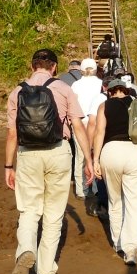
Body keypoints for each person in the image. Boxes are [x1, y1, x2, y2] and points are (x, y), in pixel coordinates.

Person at [4, 49, 94, 274]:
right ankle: (45, 272)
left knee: (29, 210)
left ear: (32, 66)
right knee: (54, 215)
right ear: (54, 67)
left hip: (28, 154)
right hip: (58, 152)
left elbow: (12, 133)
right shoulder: (64, 89)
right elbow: (77, 126)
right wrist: (88, 160)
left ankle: (26, 250)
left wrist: (8, 166)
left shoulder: (17, 92)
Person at [92, 78, 137, 266]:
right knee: (134, 203)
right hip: (135, 150)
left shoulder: (104, 106)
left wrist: (95, 160)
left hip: (111, 151)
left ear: (109, 91)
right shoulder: (136, 102)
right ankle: (131, 249)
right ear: (126, 90)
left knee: (115, 200)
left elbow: (99, 132)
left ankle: (118, 243)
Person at [71, 58, 106, 215]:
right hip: (96, 121)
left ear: (81, 70)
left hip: (79, 122)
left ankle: (81, 189)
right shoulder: (100, 83)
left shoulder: (75, 85)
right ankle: (96, 187)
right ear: (95, 69)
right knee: (96, 154)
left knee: (80, 156)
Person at [59, 59, 84, 196]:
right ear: (79, 68)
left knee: (69, 146)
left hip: (66, 116)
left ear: (69, 68)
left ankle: (68, 175)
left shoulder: (61, 78)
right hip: (82, 117)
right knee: (80, 149)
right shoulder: (84, 78)